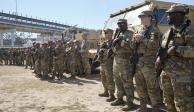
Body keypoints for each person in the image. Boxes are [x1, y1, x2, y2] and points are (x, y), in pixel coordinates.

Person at [155, 4, 194, 112]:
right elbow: (162, 48)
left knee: (183, 104)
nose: (167, 17)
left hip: (182, 75)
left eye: (169, 15)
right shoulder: (168, 32)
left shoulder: (189, 31)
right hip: (167, 71)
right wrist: (158, 58)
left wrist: (177, 49)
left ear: (178, 15)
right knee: (168, 101)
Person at [132, 10, 162, 111]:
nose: (141, 18)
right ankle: (143, 107)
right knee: (140, 86)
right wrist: (134, 40)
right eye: (140, 17)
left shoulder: (155, 30)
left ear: (149, 17)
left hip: (149, 63)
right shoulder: (139, 29)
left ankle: (155, 108)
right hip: (138, 62)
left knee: (152, 88)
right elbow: (132, 45)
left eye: (143, 16)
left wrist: (142, 39)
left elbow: (154, 45)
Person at [110, 19, 135, 111]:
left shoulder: (130, 34)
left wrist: (120, 41)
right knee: (117, 81)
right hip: (116, 60)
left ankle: (130, 103)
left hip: (125, 61)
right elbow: (114, 46)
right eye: (119, 24)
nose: (120, 25)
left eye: (122, 24)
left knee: (127, 82)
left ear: (126, 24)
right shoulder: (118, 33)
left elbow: (132, 47)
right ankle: (119, 98)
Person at [97, 29, 116, 102]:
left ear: (111, 34)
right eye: (105, 33)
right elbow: (100, 52)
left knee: (110, 80)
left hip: (109, 64)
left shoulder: (114, 42)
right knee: (103, 79)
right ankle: (106, 92)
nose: (106, 35)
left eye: (107, 33)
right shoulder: (104, 43)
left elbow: (116, 52)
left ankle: (112, 95)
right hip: (103, 64)